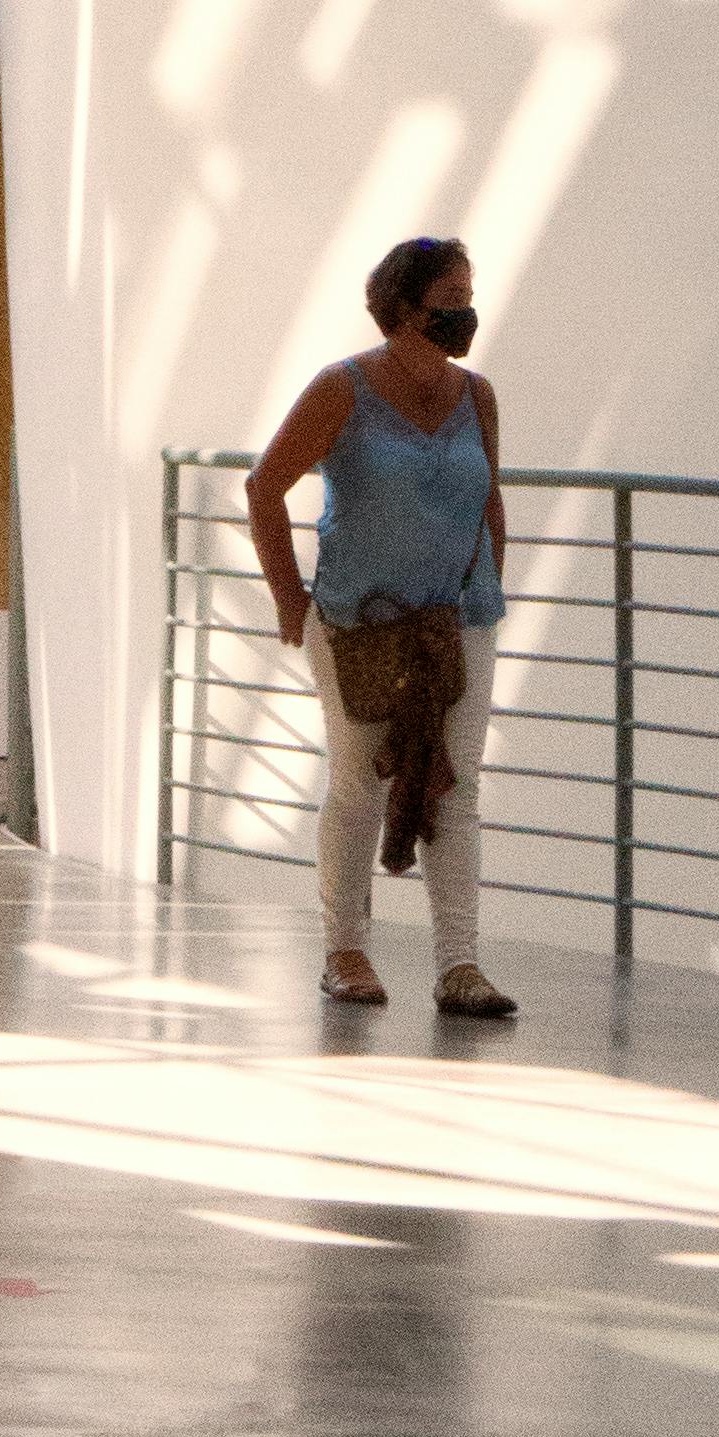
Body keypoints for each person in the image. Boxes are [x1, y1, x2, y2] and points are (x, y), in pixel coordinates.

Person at [244, 235, 518, 1018]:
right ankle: (345, 947)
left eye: (468, 298)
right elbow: (266, 487)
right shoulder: (343, 390)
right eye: (448, 304)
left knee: (455, 787)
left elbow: (487, 497)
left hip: (457, 619)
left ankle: (459, 965)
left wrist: (487, 580)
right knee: (362, 780)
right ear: (403, 309)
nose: (464, 316)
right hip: (360, 623)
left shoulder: (477, 396)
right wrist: (291, 601)